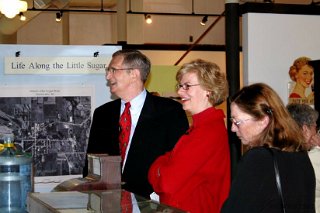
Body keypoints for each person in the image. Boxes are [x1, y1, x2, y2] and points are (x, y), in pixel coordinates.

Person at [83, 49, 189, 198]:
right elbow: (91, 166)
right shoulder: (102, 114)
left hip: (151, 204)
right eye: (108, 71)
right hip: (109, 203)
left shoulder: (170, 112)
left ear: (134, 74)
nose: (108, 76)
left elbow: (179, 164)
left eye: (113, 70)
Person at [148, 59, 231, 213]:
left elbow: (167, 183)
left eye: (187, 86)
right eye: (180, 86)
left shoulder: (207, 131)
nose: (179, 92)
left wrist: (159, 167)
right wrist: (163, 165)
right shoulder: (200, 128)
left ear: (209, 90)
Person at [221, 83, 315, 213]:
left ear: (263, 121)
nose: (232, 128)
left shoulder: (258, 158)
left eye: (237, 122)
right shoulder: (300, 154)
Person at [286, 103, 320, 213]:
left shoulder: (282, 154)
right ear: (305, 130)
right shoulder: (311, 158)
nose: (316, 133)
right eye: (315, 127)